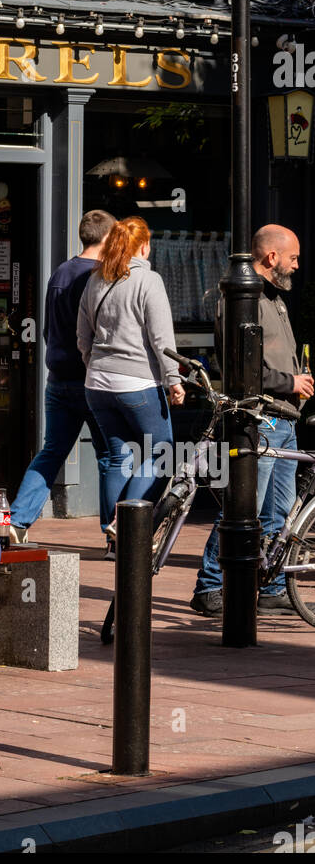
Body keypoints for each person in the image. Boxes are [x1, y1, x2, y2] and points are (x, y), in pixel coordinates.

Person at [191, 224, 314, 615]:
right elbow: (243, 371)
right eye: (292, 257)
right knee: (243, 505)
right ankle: (209, 585)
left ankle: (275, 586)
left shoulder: (275, 298)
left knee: (280, 508)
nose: (297, 265)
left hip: (285, 417)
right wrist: (289, 380)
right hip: (261, 419)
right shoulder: (242, 298)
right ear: (271, 257)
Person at [77, 216, 186, 554]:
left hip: (97, 383)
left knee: (115, 457)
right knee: (161, 453)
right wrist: (174, 380)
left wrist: (95, 367)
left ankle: (113, 539)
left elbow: (83, 337)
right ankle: (125, 526)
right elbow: (161, 338)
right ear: (144, 245)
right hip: (137, 382)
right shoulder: (148, 280)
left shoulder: (95, 278)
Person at [9, 210, 116, 543]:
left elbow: (49, 328)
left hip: (58, 379)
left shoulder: (60, 272)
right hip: (92, 381)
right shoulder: (100, 277)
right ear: (110, 238)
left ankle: (18, 521)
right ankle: (115, 536)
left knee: (52, 451)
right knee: (112, 456)